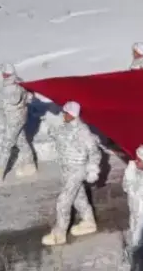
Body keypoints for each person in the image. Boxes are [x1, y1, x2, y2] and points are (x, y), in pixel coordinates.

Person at [42, 101, 104, 246]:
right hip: (66, 168)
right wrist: (53, 131)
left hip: (77, 169)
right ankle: (88, 221)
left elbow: (95, 152)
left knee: (63, 201)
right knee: (78, 197)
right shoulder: (66, 127)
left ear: (71, 114)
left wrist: (93, 170)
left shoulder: (83, 131)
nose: (63, 114)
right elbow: (60, 138)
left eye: (65, 113)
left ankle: (59, 233)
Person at [0, 64, 37, 180]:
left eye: (7, 74)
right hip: (12, 118)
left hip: (15, 119)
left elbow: (14, 100)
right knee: (21, 141)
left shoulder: (15, 87)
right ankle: (29, 165)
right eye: (4, 74)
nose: (4, 76)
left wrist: (10, 92)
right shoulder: (10, 85)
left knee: (6, 144)